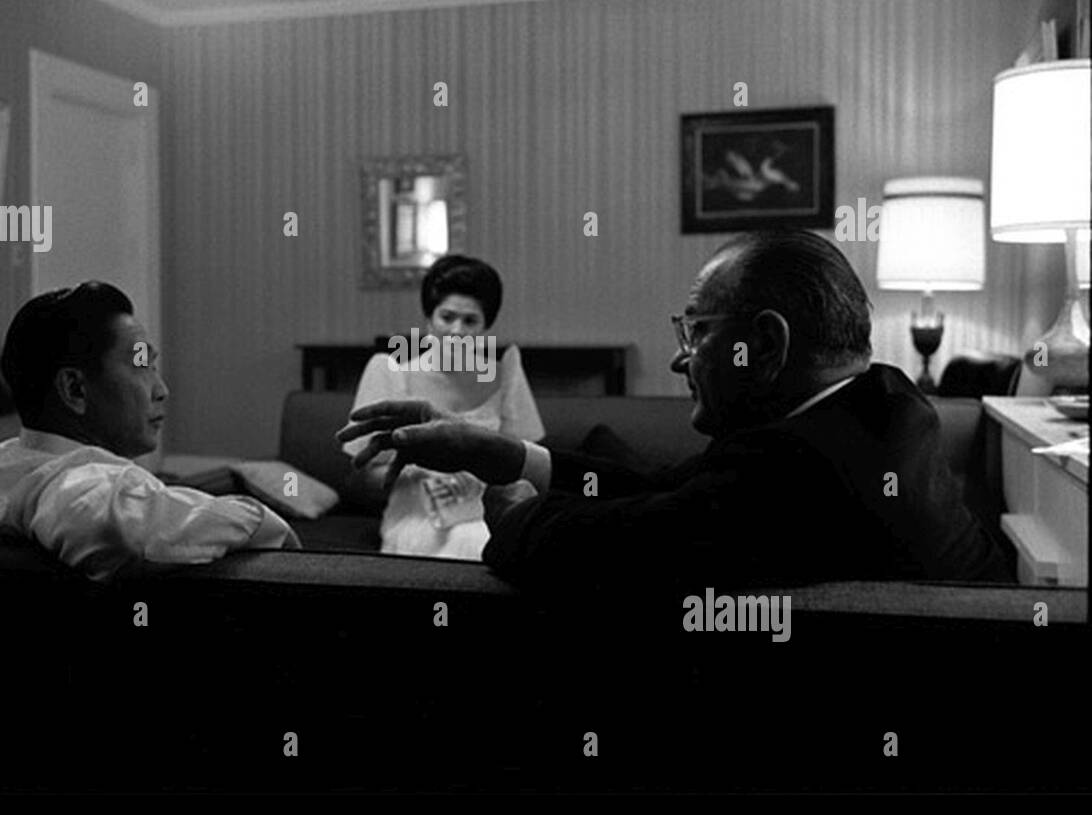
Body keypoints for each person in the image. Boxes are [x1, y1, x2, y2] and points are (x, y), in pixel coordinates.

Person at [338, 230, 1013, 590]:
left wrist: (515, 510)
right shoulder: (884, 400)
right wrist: (506, 454)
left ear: (767, 344)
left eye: (696, 332)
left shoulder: (796, 470)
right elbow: (678, 491)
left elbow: (600, 543)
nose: (679, 359)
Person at [0, 281, 297, 580]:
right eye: (141, 366)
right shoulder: (85, 488)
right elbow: (114, 526)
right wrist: (261, 520)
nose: (161, 389)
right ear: (74, 389)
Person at [342, 255, 544, 559]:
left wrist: (485, 468)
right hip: (417, 517)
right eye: (447, 317)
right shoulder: (392, 373)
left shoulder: (505, 376)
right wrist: (420, 464)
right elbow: (358, 479)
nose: (456, 331)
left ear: (486, 327)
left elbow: (530, 467)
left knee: (496, 541)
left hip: (486, 514)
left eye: (470, 321)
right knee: (474, 546)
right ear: (429, 319)